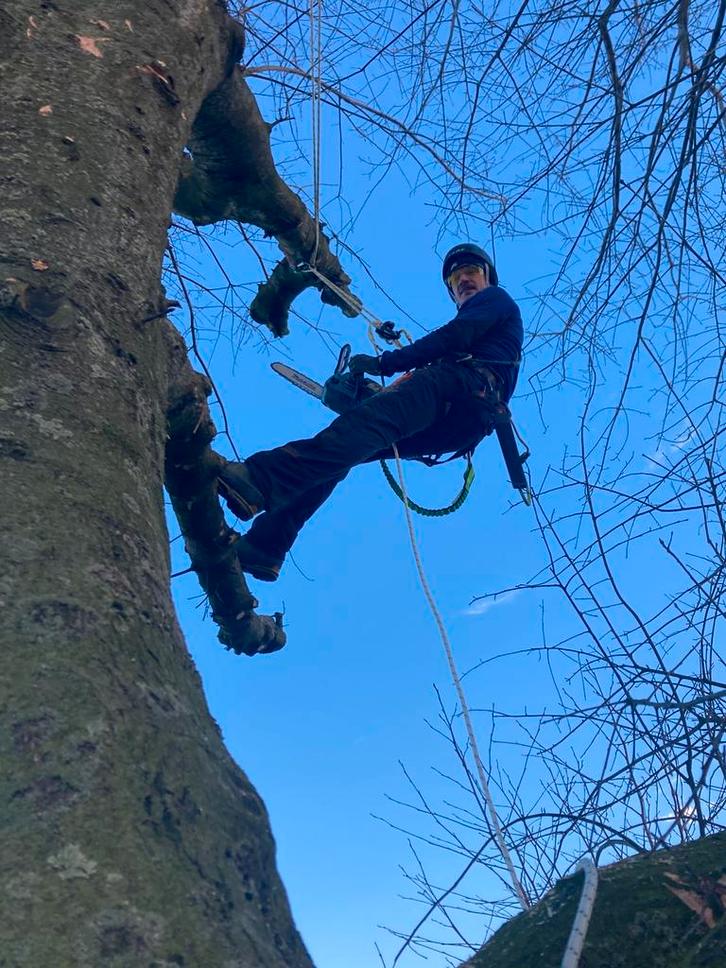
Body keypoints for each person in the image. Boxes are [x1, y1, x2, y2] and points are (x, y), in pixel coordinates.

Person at [218, 243, 524, 581]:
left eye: (471, 272)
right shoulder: (481, 337)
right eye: (456, 277)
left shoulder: (496, 301)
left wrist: (384, 363)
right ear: (451, 290)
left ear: (488, 278)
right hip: (461, 424)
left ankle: (259, 479)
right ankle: (266, 545)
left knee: (355, 432)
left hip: (461, 391)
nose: (463, 279)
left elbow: (451, 337)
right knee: (350, 448)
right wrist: (378, 393)